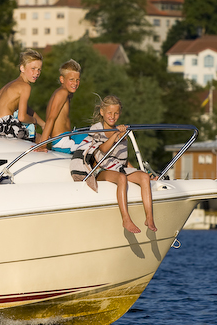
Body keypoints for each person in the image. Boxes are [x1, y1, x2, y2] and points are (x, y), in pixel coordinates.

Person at [70, 95, 157, 234]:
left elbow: (123, 161)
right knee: (121, 178)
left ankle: (149, 218)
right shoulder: (96, 129)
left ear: (120, 113)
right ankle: (126, 219)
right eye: (109, 112)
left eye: (116, 113)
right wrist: (116, 136)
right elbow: (103, 150)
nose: (112, 116)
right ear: (102, 112)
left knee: (144, 177)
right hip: (99, 170)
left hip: (116, 168)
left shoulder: (120, 131)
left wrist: (141, 172)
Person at [0, 49, 45, 139]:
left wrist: (43, 124)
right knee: (41, 140)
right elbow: (22, 117)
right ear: (22, 68)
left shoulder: (10, 85)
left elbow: (27, 109)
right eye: (33, 68)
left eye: (39, 69)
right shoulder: (25, 86)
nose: (37, 72)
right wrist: (34, 121)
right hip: (4, 125)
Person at [35, 59, 81, 152]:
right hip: (62, 142)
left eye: (77, 80)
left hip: (67, 138)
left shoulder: (65, 93)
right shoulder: (62, 93)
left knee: (94, 134)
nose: (75, 83)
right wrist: (43, 145)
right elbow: (51, 118)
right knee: (97, 141)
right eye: (71, 79)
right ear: (62, 79)